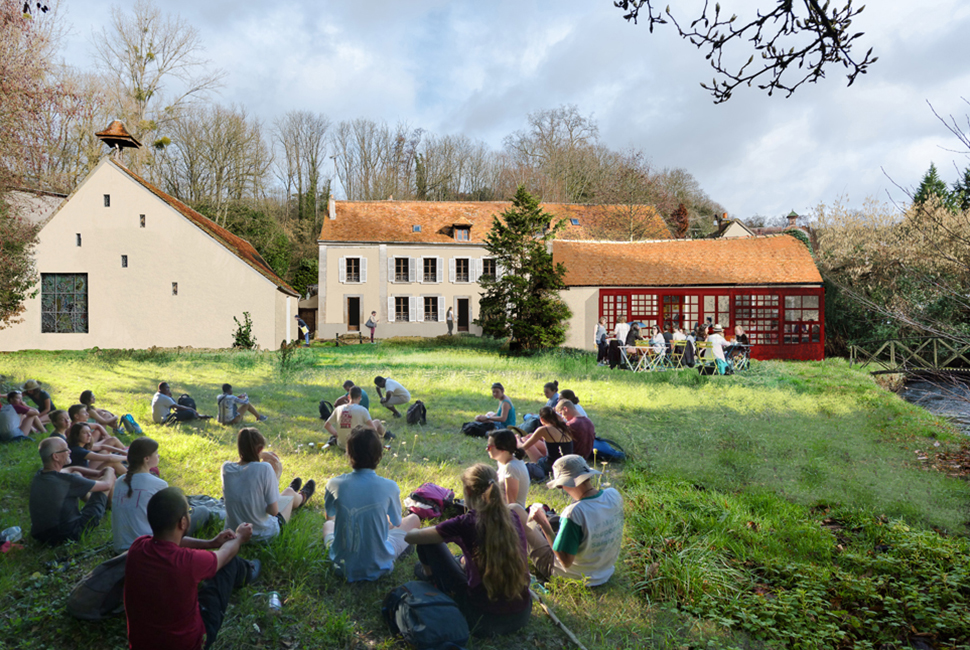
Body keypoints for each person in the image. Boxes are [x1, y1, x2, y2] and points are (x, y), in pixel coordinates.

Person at [124, 487, 259, 650]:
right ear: (183, 522)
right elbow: (225, 554)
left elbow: (172, 541)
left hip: (142, 645)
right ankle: (247, 571)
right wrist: (239, 537)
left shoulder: (137, 547)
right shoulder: (188, 561)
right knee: (230, 563)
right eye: (189, 511)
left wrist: (211, 543)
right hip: (192, 643)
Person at [405, 464, 532, 637]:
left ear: (468, 492)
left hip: (481, 619)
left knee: (428, 544)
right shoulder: (513, 516)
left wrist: (415, 525)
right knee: (463, 561)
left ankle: (430, 578)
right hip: (522, 615)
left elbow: (411, 537)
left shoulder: (465, 523)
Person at [323, 426, 420, 582]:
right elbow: (396, 522)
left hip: (340, 567)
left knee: (328, 526)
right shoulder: (390, 486)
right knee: (414, 519)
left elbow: (330, 516)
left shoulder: (334, 484)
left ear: (348, 453)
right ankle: (397, 550)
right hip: (381, 567)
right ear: (379, 455)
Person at [512, 455, 624, 587]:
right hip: (604, 572)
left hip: (573, 575)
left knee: (514, 509)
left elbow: (565, 561)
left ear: (563, 483)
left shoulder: (574, 513)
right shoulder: (613, 495)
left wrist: (543, 524)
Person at [113, 438, 211, 553]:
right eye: (156, 453)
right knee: (202, 511)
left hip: (120, 548)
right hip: (148, 548)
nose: (158, 456)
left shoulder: (119, 481)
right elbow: (171, 522)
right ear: (146, 458)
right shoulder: (159, 484)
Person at [222, 428, 314, 542]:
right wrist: (276, 478)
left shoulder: (226, 467)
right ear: (260, 449)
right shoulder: (265, 468)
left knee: (286, 494)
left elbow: (243, 466)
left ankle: (294, 492)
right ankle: (301, 497)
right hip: (262, 534)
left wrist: (258, 454)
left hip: (234, 532)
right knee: (289, 495)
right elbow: (273, 511)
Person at [29, 437, 116, 545]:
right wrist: (109, 469)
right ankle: (111, 507)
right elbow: (107, 485)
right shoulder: (68, 481)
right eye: (66, 449)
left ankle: (100, 505)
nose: (70, 451)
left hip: (41, 535)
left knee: (77, 474)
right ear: (55, 457)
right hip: (69, 535)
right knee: (107, 480)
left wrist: (96, 473)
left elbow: (71, 469)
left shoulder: (40, 475)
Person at [324, 386, 390, 447]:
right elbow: (373, 429)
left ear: (349, 397)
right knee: (377, 422)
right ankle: (387, 436)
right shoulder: (362, 410)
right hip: (357, 446)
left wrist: (336, 434)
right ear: (359, 398)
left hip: (341, 445)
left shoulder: (338, 409)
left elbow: (327, 425)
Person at [516, 406, 573, 475]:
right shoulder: (565, 427)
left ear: (541, 419)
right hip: (568, 465)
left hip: (551, 466)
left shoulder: (543, 429)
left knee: (523, 440)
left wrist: (518, 440)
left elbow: (523, 447)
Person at [487, 429, 529, 509]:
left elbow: (511, 505)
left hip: (510, 517)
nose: (487, 449)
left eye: (489, 447)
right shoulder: (503, 463)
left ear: (502, 448)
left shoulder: (511, 467)